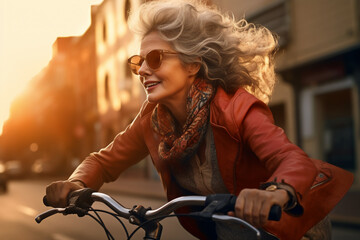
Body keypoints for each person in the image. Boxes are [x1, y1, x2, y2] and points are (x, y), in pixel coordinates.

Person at [45, 0, 353, 239]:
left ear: (192, 64)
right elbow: (104, 161)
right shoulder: (151, 121)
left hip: (286, 232)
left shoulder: (236, 109)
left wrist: (274, 193)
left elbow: (293, 159)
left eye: (155, 59)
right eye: (139, 62)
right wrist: (76, 182)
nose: (141, 71)